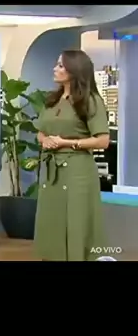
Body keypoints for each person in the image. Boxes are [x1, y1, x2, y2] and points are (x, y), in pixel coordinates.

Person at [34, 49, 110, 261]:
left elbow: (102, 140)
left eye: (60, 65)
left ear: (74, 70)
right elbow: (40, 131)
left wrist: (66, 143)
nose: (55, 69)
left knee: (76, 221)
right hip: (52, 172)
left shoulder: (90, 101)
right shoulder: (52, 100)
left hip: (77, 172)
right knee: (52, 220)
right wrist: (44, 140)